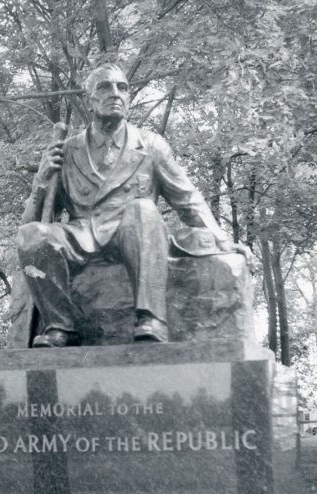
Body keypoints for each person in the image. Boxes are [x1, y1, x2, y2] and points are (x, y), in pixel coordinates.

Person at [18, 63, 244, 348]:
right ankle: (61, 325)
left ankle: (150, 318)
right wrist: (41, 179)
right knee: (32, 236)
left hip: (129, 232)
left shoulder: (150, 145)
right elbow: (31, 223)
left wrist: (222, 238)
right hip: (82, 236)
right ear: (89, 101)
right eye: (104, 87)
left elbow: (187, 198)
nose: (115, 94)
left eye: (122, 88)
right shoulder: (67, 150)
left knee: (143, 209)